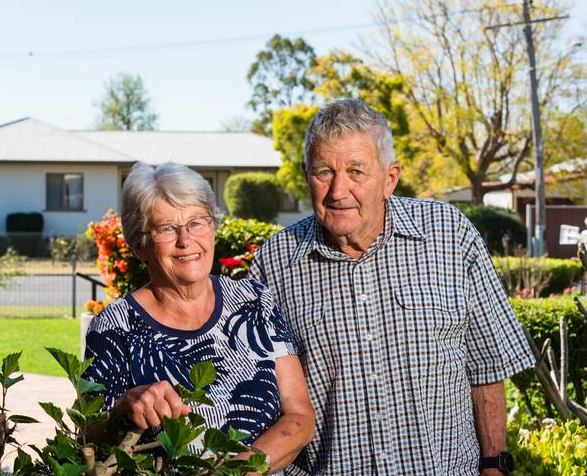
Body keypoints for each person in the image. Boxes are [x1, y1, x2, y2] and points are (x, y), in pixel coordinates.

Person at [249, 99, 535, 475]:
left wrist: (494, 464)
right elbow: (262, 397)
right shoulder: (275, 262)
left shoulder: (449, 234)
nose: (338, 190)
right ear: (306, 175)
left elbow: (486, 364)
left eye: (356, 171)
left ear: (390, 178)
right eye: (324, 172)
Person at [83, 162, 315, 474]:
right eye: (166, 228)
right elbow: (89, 441)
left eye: (196, 223)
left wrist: (234, 472)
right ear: (140, 245)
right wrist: (121, 414)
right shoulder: (114, 327)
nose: (185, 240)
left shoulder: (254, 300)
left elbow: (299, 418)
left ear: (213, 227)